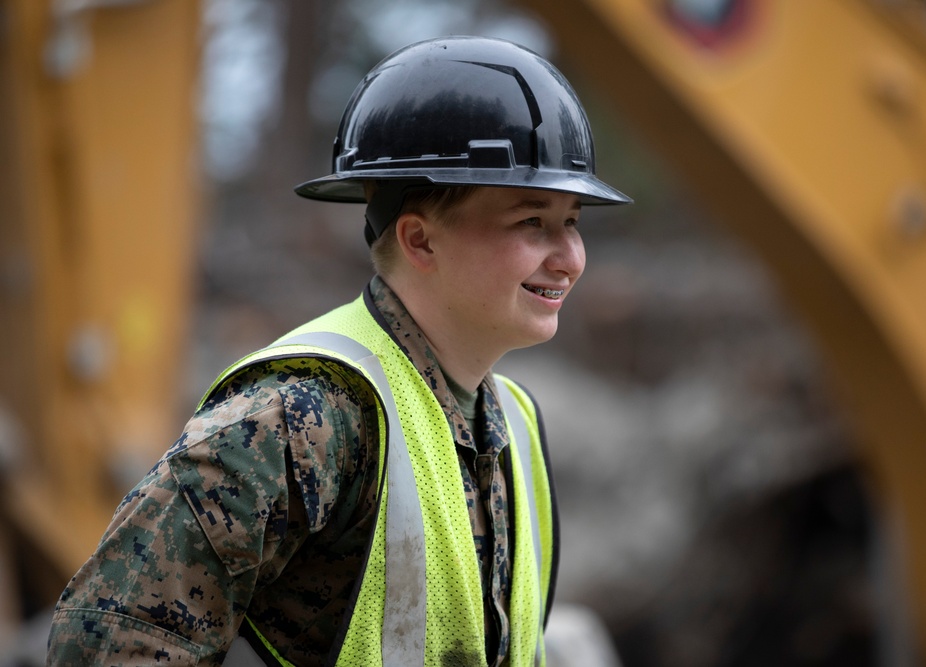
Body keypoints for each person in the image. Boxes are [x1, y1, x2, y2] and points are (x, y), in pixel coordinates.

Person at [47, 35, 630, 666]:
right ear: (420, 241)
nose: (570, 258)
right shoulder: (302, 417)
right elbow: (107, 643)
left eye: (572, 222)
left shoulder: (512, 422)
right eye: (531, 222)